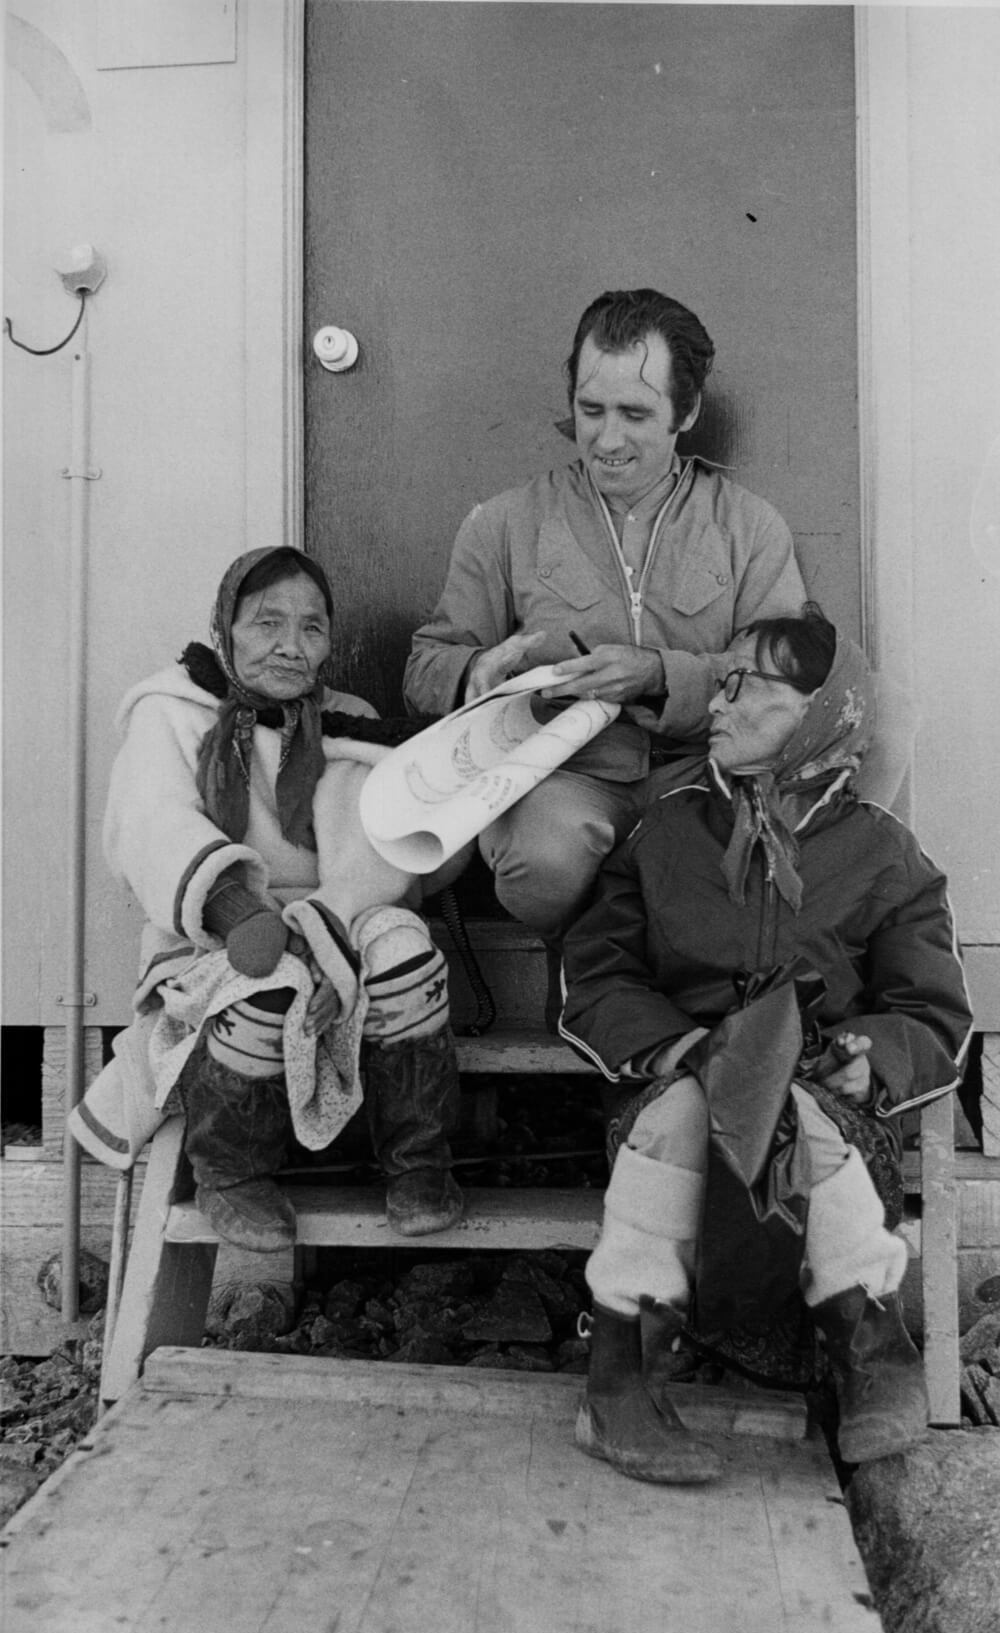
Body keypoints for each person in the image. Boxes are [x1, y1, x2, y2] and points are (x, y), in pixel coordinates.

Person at [557, 604, 972, 1484]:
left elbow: (933, 1013)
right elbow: (598, 976)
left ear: (825, 713)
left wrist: (870, 1055)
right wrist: (675, 1049)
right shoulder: (664, 833)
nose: (720, 701)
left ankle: (869, 1355)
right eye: (723, 679)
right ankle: (620, 1385)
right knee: (676, 1111)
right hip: (683, 1087)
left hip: (824, 1098)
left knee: (800, 1112)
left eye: (751, 686)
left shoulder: (884, 854)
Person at [71, 546, 465, 1249]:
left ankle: (417, 1163)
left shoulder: (347, 719)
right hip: (217, 929)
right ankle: (230, 1171)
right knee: (266, 978)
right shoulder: (173, 708)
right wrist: (245, 914)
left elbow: (386, 837)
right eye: (267, 623)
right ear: (225, 627)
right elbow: (150, 824)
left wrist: (329, 926)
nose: (291, 645)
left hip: (336, 913)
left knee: (405, 945)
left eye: (312, 628)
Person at [404, 288, 807, 946]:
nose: (608, 439)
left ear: (687, 410)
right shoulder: (507, 521)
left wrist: (658, 674)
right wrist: (474, 672)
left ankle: (616, 951)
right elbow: (426, 663)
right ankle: (613, 934)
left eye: (635, 413)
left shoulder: (748, 526)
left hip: (701, 776)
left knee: (723, 867)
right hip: (565, 777)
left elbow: (786, 682)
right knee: (543, 864)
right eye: (591, 410)